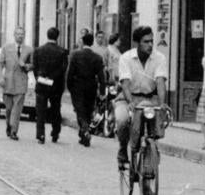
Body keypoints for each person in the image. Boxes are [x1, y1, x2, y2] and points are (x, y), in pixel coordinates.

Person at [115, 26, 168, 178]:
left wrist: (162, 103)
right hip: (128, 98)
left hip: (150, 99)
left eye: (152, 41)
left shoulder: (159, 58)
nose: (150, 45)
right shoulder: (126, 58)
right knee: (122, 120)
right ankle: (123, 149)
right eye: (146, 42)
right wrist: (130, 101)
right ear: (137, 43)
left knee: (154, 131)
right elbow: (125, 83)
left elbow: (160, 82)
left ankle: (148, 168)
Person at [65, 31, 105, 147]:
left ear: (83, 42)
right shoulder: (97, 57)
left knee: (79, 110)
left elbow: (70, 73)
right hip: (91, 86)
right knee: (88, 109)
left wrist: (69, 86)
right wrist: (102, 91)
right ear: (92, 43)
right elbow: (102, 77)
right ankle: (83, 136)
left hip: (77, 86)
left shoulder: (76, 55)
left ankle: (84, 128)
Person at [32, 27, 69, 144]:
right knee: (56, 110)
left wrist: (40, 78)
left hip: (42, 84)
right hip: (56, 85)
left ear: (47, 36)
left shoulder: (38, 50)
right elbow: (63, 69)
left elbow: (35, 68)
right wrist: (52, 77)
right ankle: (55, 133)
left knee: (40, 111)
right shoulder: (62, 51)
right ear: (57, 37)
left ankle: (40, 135)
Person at [0, 27, 32, 141]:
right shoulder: (6, 48)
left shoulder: (29, 50)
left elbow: (32, 65)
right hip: (8, 82)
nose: (20, 36)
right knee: (9, 108)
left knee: (17, 109)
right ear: (14, 35)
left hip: (21, 82)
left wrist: (26, 66)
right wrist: (0, 79)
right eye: (18, 34)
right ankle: (9, 125)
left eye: (22, 34)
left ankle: (14, 131)